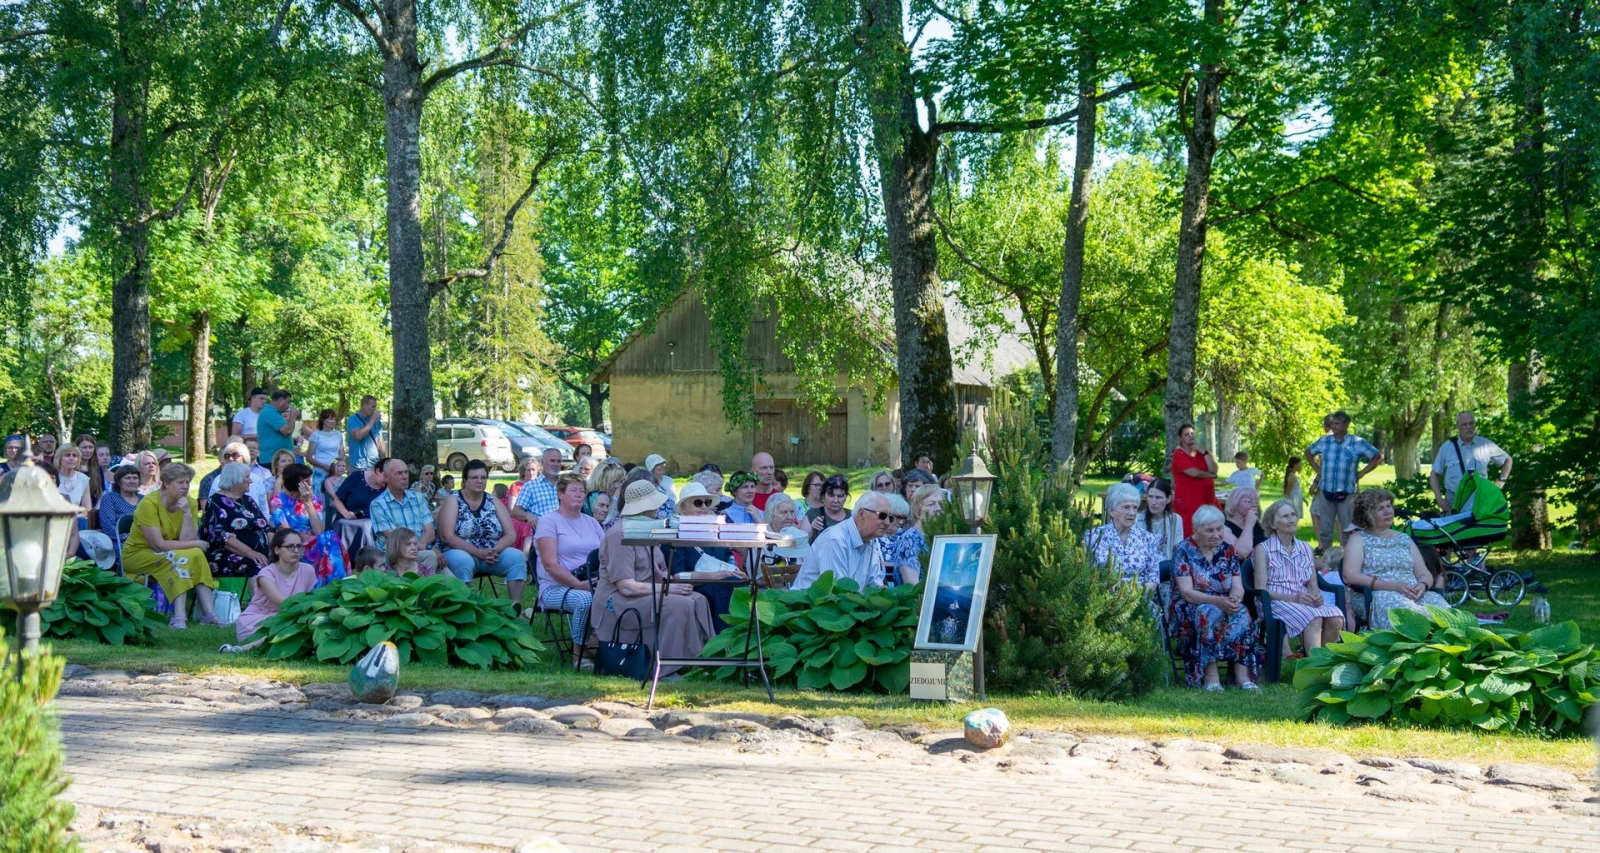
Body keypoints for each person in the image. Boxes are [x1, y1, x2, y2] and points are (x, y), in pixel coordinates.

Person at [592, 480, 715, 676]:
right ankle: (665, 669)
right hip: (618, 601)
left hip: (646, 592)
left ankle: (701, 659)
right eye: (655, 504)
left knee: (697, 599)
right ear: (645, 508)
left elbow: (661, 572)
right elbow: (626, 587)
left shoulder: (647, 531)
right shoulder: (619, 535)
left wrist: (676, 583)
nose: (658, 508)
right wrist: (668, 589)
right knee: (677, 604)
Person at [1169, 505, 1263, 690]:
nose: (1216, 534)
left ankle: (1243, 678)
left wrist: (1235, 598)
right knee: (1207, 613)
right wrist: (1218, 601)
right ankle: (1211, 678)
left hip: (1223, 603)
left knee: (1242, 611)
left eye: (1219, 529)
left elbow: (1237, 586)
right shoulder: (1183, 550)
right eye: (1209, 530)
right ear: (1196, 529)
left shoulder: (1228, 551)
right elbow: (1186, 592)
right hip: (1189, 606)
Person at [122, 463, 221, 629]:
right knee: (180, 557)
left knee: (196, 554)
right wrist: (196, 543)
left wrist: (188, 514)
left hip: (170, 550)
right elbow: (158, 544)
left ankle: (209, 613)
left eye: (187, 482)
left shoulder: (188, 502)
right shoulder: (149, 504)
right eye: (180, 482)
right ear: (166, 483)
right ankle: (179, 616)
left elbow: (187, 541)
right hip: (137, 554)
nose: (185, 487)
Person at [1341, 488, 1450, 630]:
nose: (1388, 511)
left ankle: (1443, 649)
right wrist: (1391, 586)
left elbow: (1424, 573)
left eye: (1389, 506)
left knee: (1446, 614)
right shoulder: (1359, 539)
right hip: (1378, 594)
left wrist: (1422, 585)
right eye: (1380, 508)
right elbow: (1349, 576)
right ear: (1367, 515)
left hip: (1413, 594)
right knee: (1409, 617)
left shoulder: (1404, 538)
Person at [1253, 499, 1344, 654]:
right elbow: (1261, 590)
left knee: (1336, 618)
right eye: (1285, 516)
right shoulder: (1263, 549)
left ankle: (1323, 662)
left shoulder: (1305, 547)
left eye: (1293, 514)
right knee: (1313, 618)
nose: (1292, 519)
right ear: (1273, 524)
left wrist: (1316, 597)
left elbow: (1312, 583)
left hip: (1302, 600)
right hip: (1274, 601)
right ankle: (1312, 666)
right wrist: (1293, 598)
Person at [532, 473, 604, 661]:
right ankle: (578, 654)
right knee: (586, 599)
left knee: (624, 596)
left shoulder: (591, 522)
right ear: (560, 494)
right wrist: (579, 585)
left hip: (592, 581)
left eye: (582, 491)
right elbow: (550, 565)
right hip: (555, 587)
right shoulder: (549, 521)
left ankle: (610, 648)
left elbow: (606, 556)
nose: (579, 494)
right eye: (573, 490)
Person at [438, 460, 527, 603]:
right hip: (461, 551)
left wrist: (494, 550)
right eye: (474, 477)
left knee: (517, 557)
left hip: (492, 555)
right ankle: (465, 606)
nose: (479, 481)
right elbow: (446, 536)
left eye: (483, 477)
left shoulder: (493, 501)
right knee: (463, 561)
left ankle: (515, 607)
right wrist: (477, 552)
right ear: (465, 480)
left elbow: (511, 534)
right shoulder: (453, 500)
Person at [222, 530, 319, 654]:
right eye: (290, 546)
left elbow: (310, 599)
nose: (296, 550)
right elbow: (285, 604)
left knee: (296, 630)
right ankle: (240, 649)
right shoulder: (266, 574)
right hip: (259, 620)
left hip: (290, 618)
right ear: (277, 550)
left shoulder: (308, 570)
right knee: (287, 629)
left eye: (299, 546)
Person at [1305, 410, 1383, 551]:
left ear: (1346, 425)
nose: (1333, 426)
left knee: (1348, 529)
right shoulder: (1325, 441)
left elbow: (1377, 456)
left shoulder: (1357, 442)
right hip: (1326, 491)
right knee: (1325, 530)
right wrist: (1318, 470)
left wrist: (1361, 473)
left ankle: (1347, 561)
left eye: (1337, 423)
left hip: (1347, 492)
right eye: (1332, 423)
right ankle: (1326, 560)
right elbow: (1308, 452)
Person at [792, 491, 893, 591]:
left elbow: (875, 585)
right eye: (882, 516)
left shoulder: (870, 541)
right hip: (809, 604)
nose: (888, 523)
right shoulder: (835, 540)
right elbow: (837, 592)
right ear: (862, 514)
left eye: (891, 518)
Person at [271, 463, 349, 586]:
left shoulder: (314, 499)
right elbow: (283, 530)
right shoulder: (278, 499)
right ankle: (337, 584)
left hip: (314, 542)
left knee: (329, 536)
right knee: (328, 539)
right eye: (307, 481)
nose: (310, 484)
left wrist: (308, 503)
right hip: (293, 544)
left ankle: (331, 585)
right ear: (296, 482)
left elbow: (319, 531)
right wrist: (302, 537)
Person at [199, 462, 274, 580]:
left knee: (284, 563)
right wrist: (251, 553)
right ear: (235, 479)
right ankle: (258, 599)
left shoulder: (248, 500)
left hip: (259, 554)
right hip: (230, 555)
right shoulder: (215, 501)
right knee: (261, 569)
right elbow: (223, 538)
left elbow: (266, 528)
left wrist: (274, 550)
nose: (250, 481)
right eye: (247, 477)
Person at [1429, 410, 1512, 512]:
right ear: (1458, 427)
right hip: (1454, 500)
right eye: (1464, 424)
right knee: (1455, 528)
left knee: (1479, 528)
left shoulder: (1485, 444)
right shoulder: (1447, 447)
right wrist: (1438, 498)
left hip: (1480, 500)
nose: (1468, 427)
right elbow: (1434, 474)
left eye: (1471, 423)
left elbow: (1508, 459)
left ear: (1475, 425)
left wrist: (1502, 481)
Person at [1085, 483, 1162, 592]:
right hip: (1102, 598)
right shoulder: (1093, 537)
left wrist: (1133, 595)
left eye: (1135, 508)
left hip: (1139, 599)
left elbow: (1153, 579)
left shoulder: (1148, 539)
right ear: (1112, 511)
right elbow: (1086, 574)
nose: (1132, 513)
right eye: (1126, 507)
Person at [368, 458, 439, 572]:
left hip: (420, 552)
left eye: (406, 472)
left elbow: (430, 533)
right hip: (395, 558)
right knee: (431, 557)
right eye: (399, 473)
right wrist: (423, 547)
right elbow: (396, 540)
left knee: (454, 585)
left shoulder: (418, 498)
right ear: (386, 477)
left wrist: (417, 548)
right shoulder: (378, 505)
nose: (405, 476)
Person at [1170, 424, 1218, 536]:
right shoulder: (1179, 454)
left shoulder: (1201, 452)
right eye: (1186, 434)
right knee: (1191, 530)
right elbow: (1193, 473)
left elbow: (1214, 469)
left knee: (1211, 528)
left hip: (1208, 499)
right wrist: (1211, 476)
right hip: (1189, 500)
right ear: (1180, 438)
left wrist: (1205, 453)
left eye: (1192, 433)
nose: (1190, 436)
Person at [512, 447, 563, 527]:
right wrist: (527, 515)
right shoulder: (530, 486)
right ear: (543, 462)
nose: (556, 464)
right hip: (543, 530)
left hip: (564, 528)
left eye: (558, 461)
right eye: (552, 461)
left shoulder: (565, 483)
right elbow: (515, 511)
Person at [1137, 478, 1183, 561]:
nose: (1153, 502)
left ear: (1168, 499)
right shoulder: (1138, 519)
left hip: (1168, 568)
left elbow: (1178, 551)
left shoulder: (1175, 520)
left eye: (1158, 497)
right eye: (1150, 497)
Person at [874, 494, 911, 585]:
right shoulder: (873, 536)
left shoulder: (906, 537)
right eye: (898, 518)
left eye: (904, 518)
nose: (901, 522)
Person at [98, 465, 143, 542]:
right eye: (127, 478)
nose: (132, 481)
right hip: (121, 543)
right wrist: (133, 538)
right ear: (119, 482)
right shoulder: (110, 498)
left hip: (147, 541)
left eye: (135, 478)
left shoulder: (144, 499)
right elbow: (108, 528)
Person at [256, 389, 302, 461]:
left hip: (279, 459)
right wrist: (293, 415)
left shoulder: (274, 412)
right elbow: (288, 431)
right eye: (288, 402)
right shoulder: (270, 412)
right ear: (281, 400)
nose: (289, 406)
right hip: (272, 460)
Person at [305, 409, 344, 496]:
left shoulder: (338, 434)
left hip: (335, 471)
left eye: (334, 419)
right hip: (321, 471)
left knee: (336, 497)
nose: (333, 421)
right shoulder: (316, 435)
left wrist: (341, 465)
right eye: (330, 419)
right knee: (320, 497)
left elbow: (341, 452)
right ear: (323, 420)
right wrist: (324, 466)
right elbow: (309, 457)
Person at [805, 475, 852, 543]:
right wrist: (812, 531)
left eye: (840, 496)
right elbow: (800, 546)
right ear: (823, 496)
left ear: (846, 497)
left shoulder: (853, 517)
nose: (835, 500)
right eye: (831, 495)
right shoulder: (812, 514)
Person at [1222, 486, 1264, 560]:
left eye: (1256, 502)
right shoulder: (1224, 527)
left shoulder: (1256, 524)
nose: (1254, 505)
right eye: (1248, 501)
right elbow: (1242, 553)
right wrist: (1249, 525)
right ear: (1235, 504)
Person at [54, 446, 93, 524]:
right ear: (59, 458)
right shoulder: (51, 477)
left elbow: (87, 510)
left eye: (74, 456)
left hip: (77, 521)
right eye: (67, 455)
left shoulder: (83, 479)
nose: (71, 458)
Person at [346, 395, 386, 472]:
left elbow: (380, 442)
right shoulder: (352, 419)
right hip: (357, 465)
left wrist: (384, 462)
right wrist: (372, 419)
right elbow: (358, 436)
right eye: (373, 407)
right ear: (364, 405)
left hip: (374, 465)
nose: (375, 410)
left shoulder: (377, 422)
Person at [72, 434, 106, 521]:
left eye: (90, 447)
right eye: (84, 447)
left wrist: (95, 510)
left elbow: (101, 492)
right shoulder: (71, 467)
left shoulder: (97, 468)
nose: (88, 450)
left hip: (93, 510)